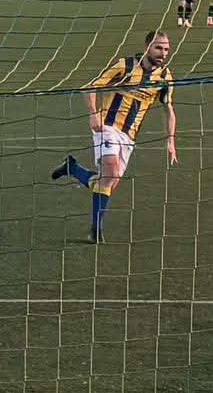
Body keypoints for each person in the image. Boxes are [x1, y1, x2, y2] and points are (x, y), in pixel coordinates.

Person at [51, 30, 177, 244]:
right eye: (158, 47)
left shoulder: (165, 78)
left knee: (107, 182)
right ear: (147, 46)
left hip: (128, 137)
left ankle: (73, 168)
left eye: (166, 49)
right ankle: (95, 231)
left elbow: (168, 110)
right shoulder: (125, 66)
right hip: (106, 128)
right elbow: (89, 87)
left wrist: (171, 141)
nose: (163, 52)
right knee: (111, 172)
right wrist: (93, 114)